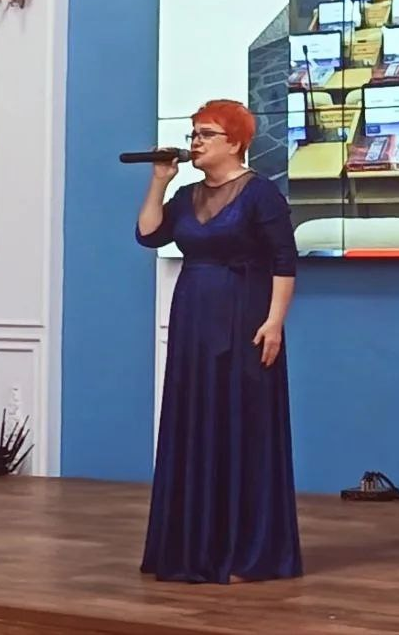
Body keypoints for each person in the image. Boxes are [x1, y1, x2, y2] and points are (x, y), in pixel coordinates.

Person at [135, 99, 303, 584]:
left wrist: (275, 322)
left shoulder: (261, 194)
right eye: (193, 133)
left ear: (236, 142)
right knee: (194, 419)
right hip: (194, 316)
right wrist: (159, 181)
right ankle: (192, 547)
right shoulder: (186, 195)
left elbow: (284, 261)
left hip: (246, 316)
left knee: (241, 424)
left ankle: (247, 553)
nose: (196, 141)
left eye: (206, 133)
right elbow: (149, 235)